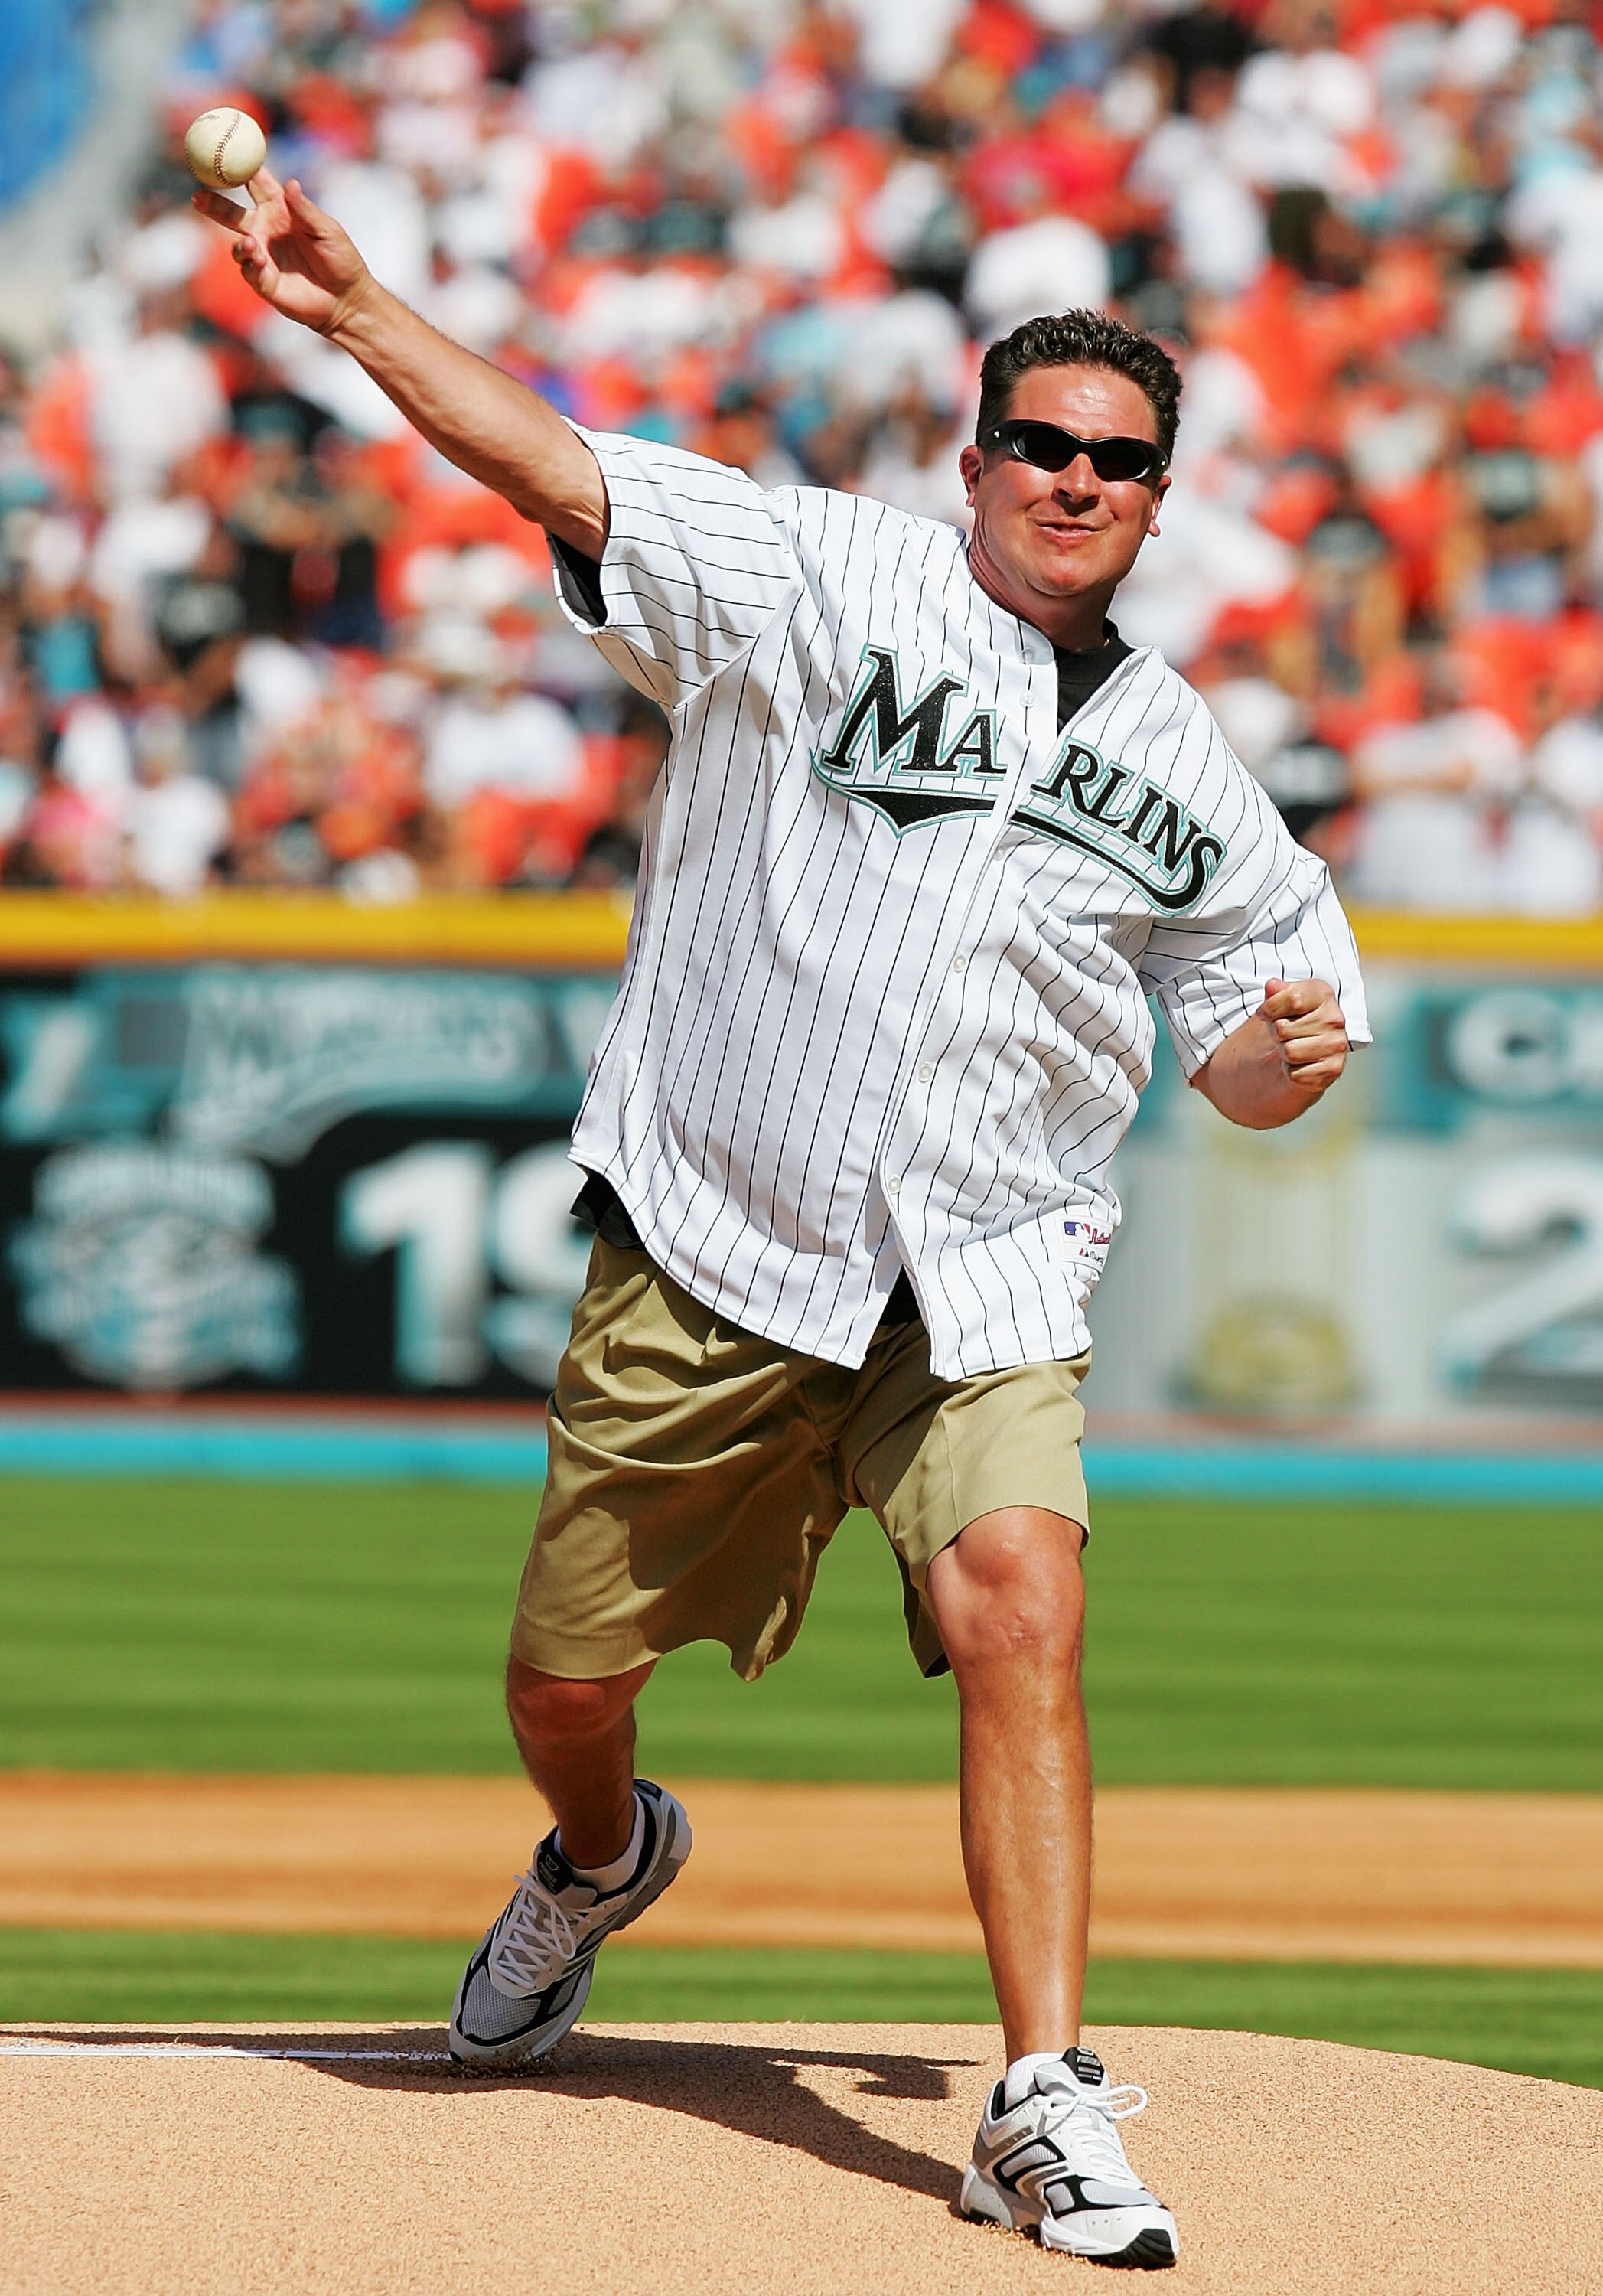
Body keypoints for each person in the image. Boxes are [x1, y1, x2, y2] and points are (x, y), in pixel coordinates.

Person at [197, 167, 1368, 2272]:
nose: (1077, 482)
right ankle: (596, 1855)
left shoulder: (1195, 768)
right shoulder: (818, 577)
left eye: (1119, 462)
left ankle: (1042, 2092)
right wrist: (354, 306)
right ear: (977, 456)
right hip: (718, 1242)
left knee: (1027, 1595)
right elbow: (553, 462)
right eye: (1045, 445)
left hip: (987, 1266)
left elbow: (1253, 1063)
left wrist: (1286, 1057)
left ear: (1156, 495)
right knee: (564, 1681)